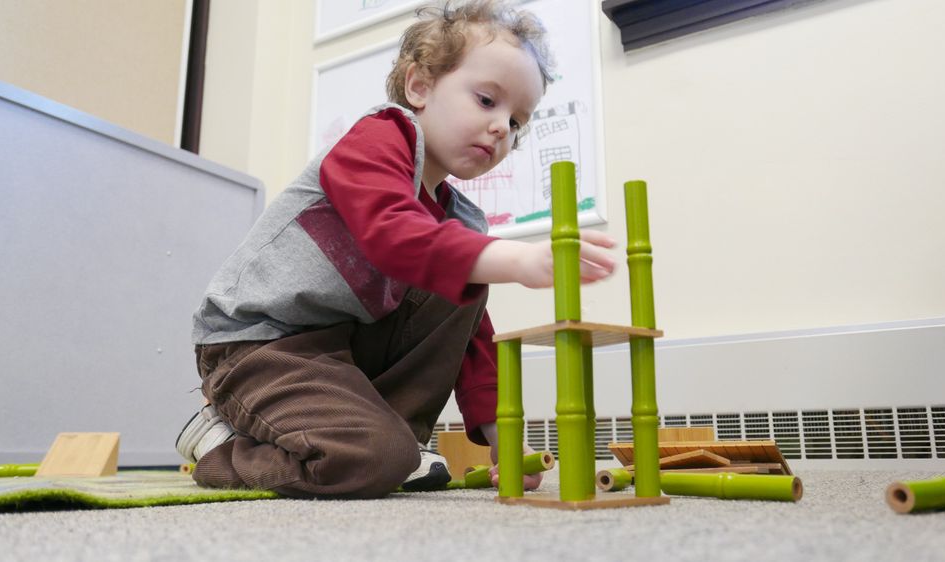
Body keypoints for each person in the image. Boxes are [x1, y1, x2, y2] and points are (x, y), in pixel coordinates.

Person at [175, 0, 616, 499]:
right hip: (259, 344)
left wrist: (503, 437)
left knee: (462, 281)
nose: (501, 129)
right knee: (376, 459)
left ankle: (393, 443)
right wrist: (517, 259)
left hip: (340, 348)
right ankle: (222, 446)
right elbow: (393, 233)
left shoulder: (460, 219)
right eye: (486, 100)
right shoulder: (378, 138)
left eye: (516, 122)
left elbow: (472, 339)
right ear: (419, 87)